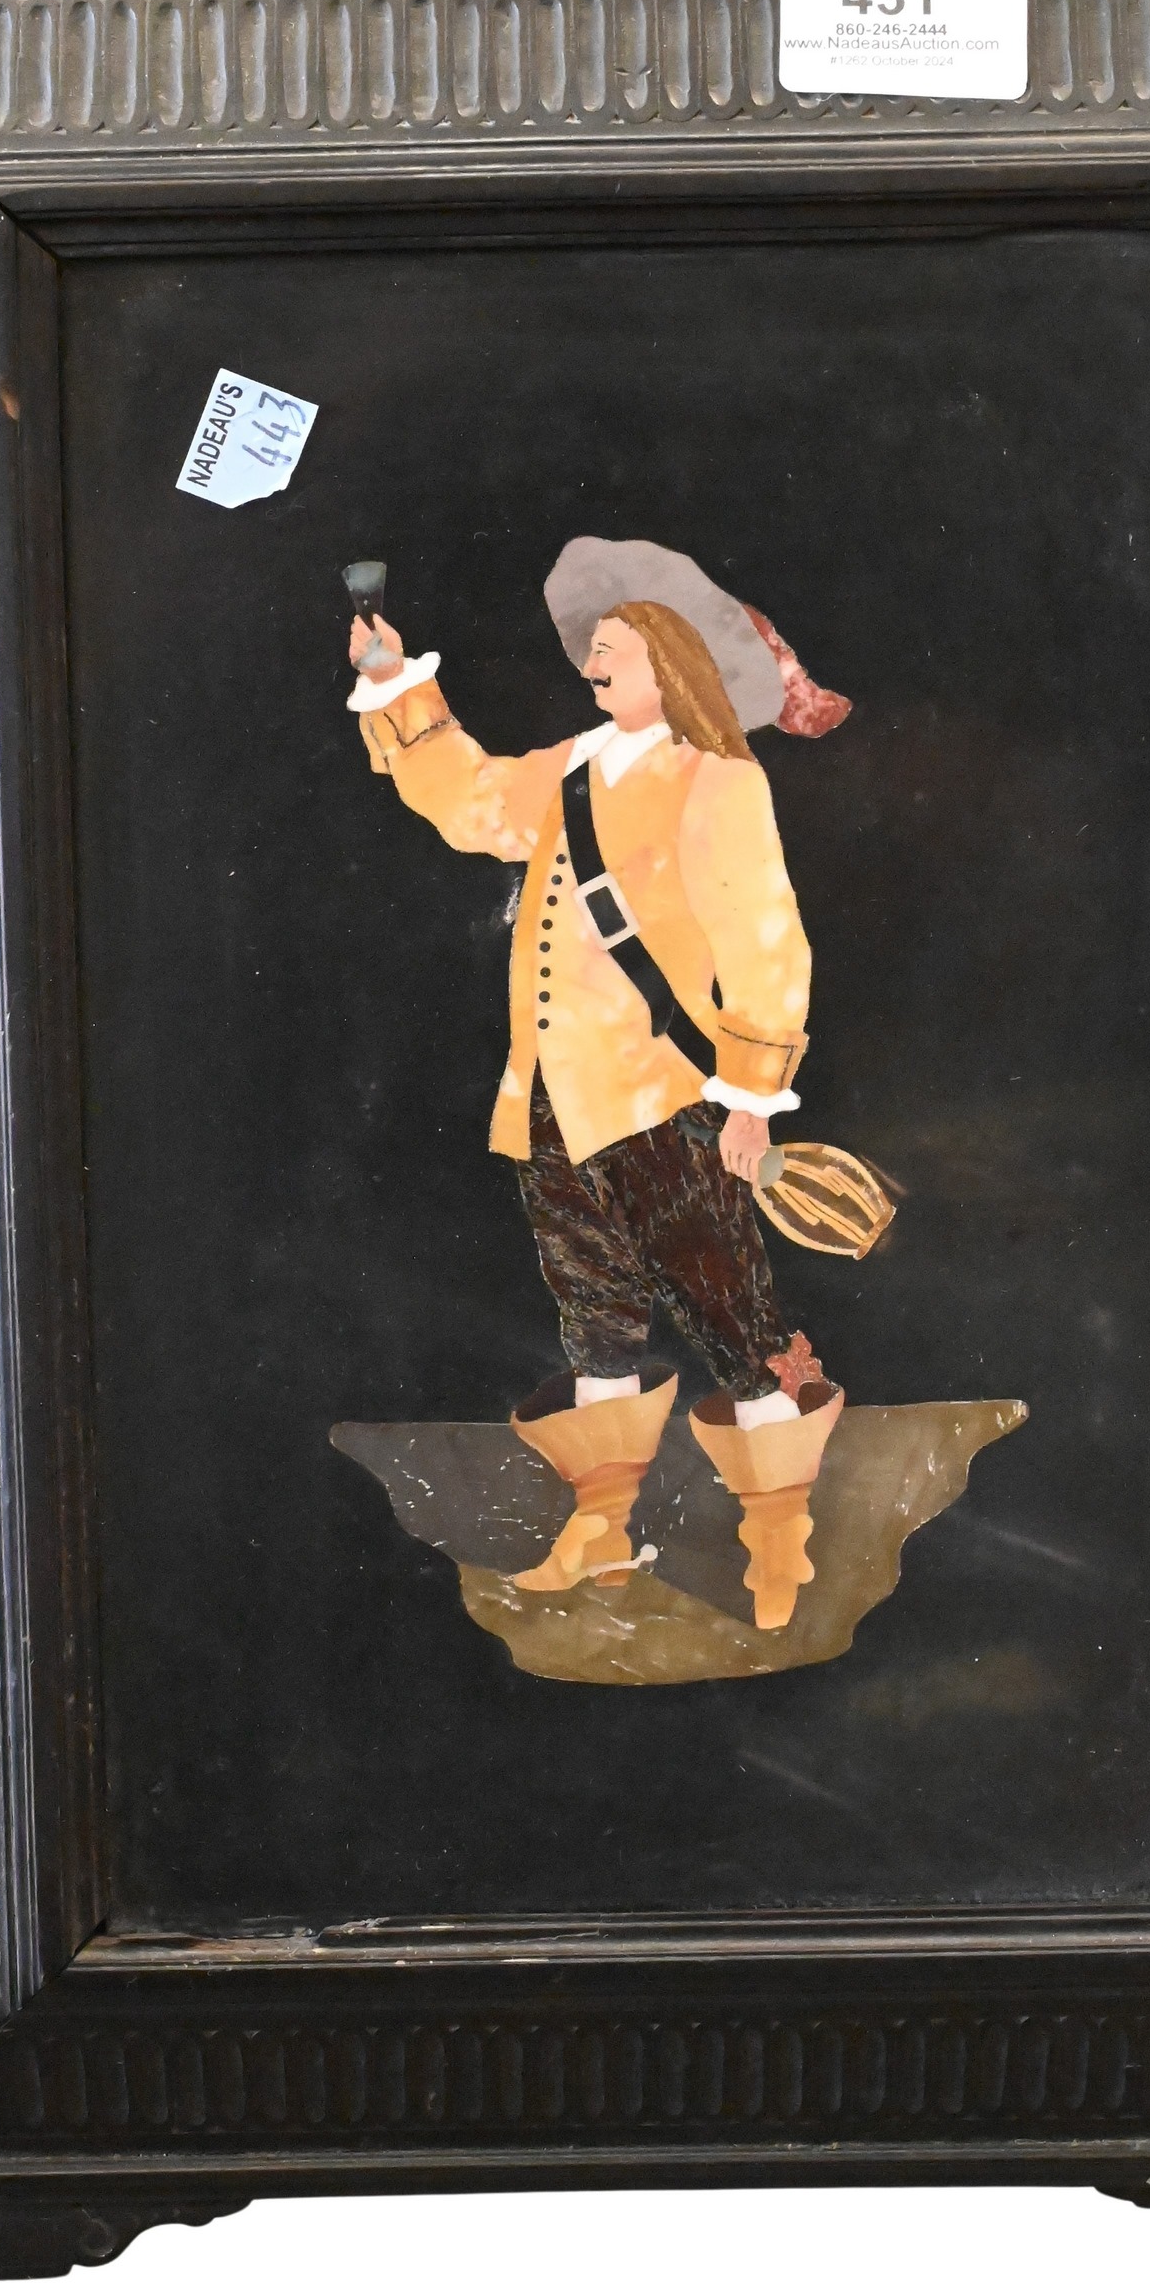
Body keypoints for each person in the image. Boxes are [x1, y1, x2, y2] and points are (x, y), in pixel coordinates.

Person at [347, 540, 848, 1630]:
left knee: (731, 1316)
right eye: (595, 650)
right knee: (595, 1317)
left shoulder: (719, 782)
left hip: (663, 1098)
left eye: (612, 648)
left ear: (670, 661)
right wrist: (395, 685)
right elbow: (474, 806)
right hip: (552, 1097)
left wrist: (751, 1097)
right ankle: (602, 1528)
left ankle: (779, 1540)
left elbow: (766, 943)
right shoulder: (573, 765)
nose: (591, 664)